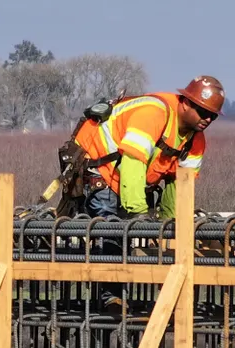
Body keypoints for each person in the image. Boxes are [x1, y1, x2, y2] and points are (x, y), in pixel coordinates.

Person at [58, 75, 222, 308]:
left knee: (145, 229)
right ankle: (110, 298)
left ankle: (165, 296)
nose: (207, 119)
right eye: (202, 111)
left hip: (132, 181)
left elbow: (181, 185)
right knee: (113, 229)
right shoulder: (154, 113)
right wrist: (138, 213)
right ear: (185, 102)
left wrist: (170, 226)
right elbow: (133, 161)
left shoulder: (196, 140)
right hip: (100, 169)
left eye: (212, 116)